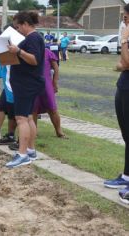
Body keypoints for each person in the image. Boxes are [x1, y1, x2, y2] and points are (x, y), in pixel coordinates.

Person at [5, 11, 45, 168]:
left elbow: (35, 60)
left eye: (18, 26)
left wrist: (18, 51)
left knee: (21, 118)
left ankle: (22, 155)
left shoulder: (33, 38)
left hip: (26, 84)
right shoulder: (33, 38)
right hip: (27, 83)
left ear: (25, 24)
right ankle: (30, 150)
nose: (17, 30)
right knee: (28, 118)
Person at [104, 5, 129, 204]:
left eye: (126, 17)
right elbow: (121, 64)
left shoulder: (126, 36)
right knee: (126, 135)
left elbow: (126, 62)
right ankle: (127, 176)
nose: (124, 21)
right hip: (123, 85)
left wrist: (124, 39)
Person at [32, 48, 65, 138]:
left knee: (52, 108)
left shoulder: (47, 52)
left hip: (46, 84)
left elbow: (56, 67)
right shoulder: (27, 51)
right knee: (33, 109)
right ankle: (34, 132)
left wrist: (55, 81)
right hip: (32, 84)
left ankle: (59, 131)